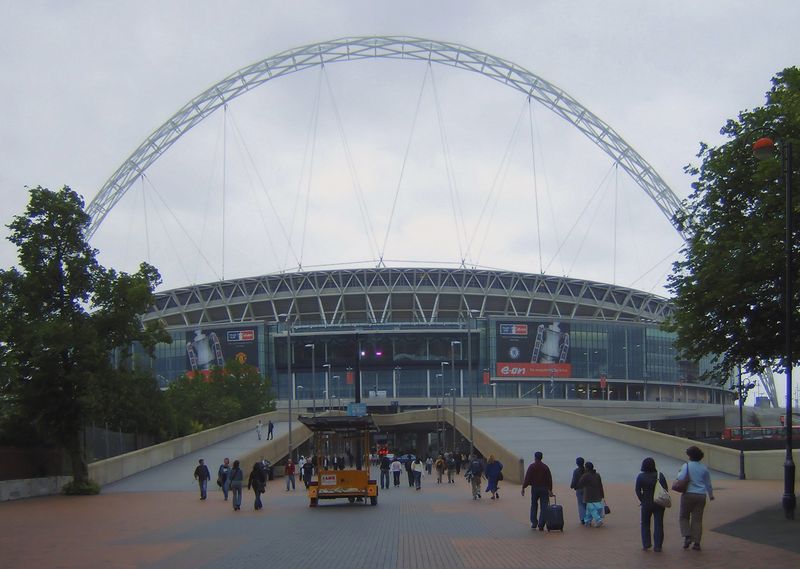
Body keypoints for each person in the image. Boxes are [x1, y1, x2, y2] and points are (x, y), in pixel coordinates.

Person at [678, 445, 714, 551]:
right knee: (697, 520)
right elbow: (708, 483)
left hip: (688, 494)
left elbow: (680, 477)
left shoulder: (687, 466)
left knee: (684, 516)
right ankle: (697, 542)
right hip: (701, 495)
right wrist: (711, 495)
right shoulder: (704, 468)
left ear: (690, 456)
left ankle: (687, 535)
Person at [635, 457, 669, 552]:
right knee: (658, 524)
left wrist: (642, 499)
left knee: (645, 523)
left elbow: (637, 490)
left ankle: (646, 543)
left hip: (646, 503)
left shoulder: (641, 476)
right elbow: (665, 489)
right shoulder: (659, 475)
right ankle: (658, 546)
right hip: (658, 503)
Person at [521, 451, 553, 530]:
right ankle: (541, 524)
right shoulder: (545, 467)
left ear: (535, 457)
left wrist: (523, 487)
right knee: (544, 507)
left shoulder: (532, 466)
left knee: (534, 505)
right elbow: (549, 479)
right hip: (544, 489)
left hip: (535, 488)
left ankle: (534, 522)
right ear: (541, 457)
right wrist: (550, 489)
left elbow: (527, 478)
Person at [576, 461, 605, 527]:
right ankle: (587, 521)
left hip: (588, 495)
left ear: (587, 468)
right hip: (597, 494)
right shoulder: (597, 475)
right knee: (589, 509)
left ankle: (598, 520)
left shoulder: (585, 475)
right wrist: (602, 494)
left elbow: (580, 484)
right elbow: (600, 485)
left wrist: (577, 487)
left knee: (591, 508)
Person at [570, 457, 586, 525]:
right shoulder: (586, 470)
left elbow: (574, 481)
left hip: (579, 489)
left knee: (580, 504)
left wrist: (572, 486)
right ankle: (588, 518)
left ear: (577, 463)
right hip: (586, 489)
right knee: (586, 504)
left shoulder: (576, 471)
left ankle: (582, 518)